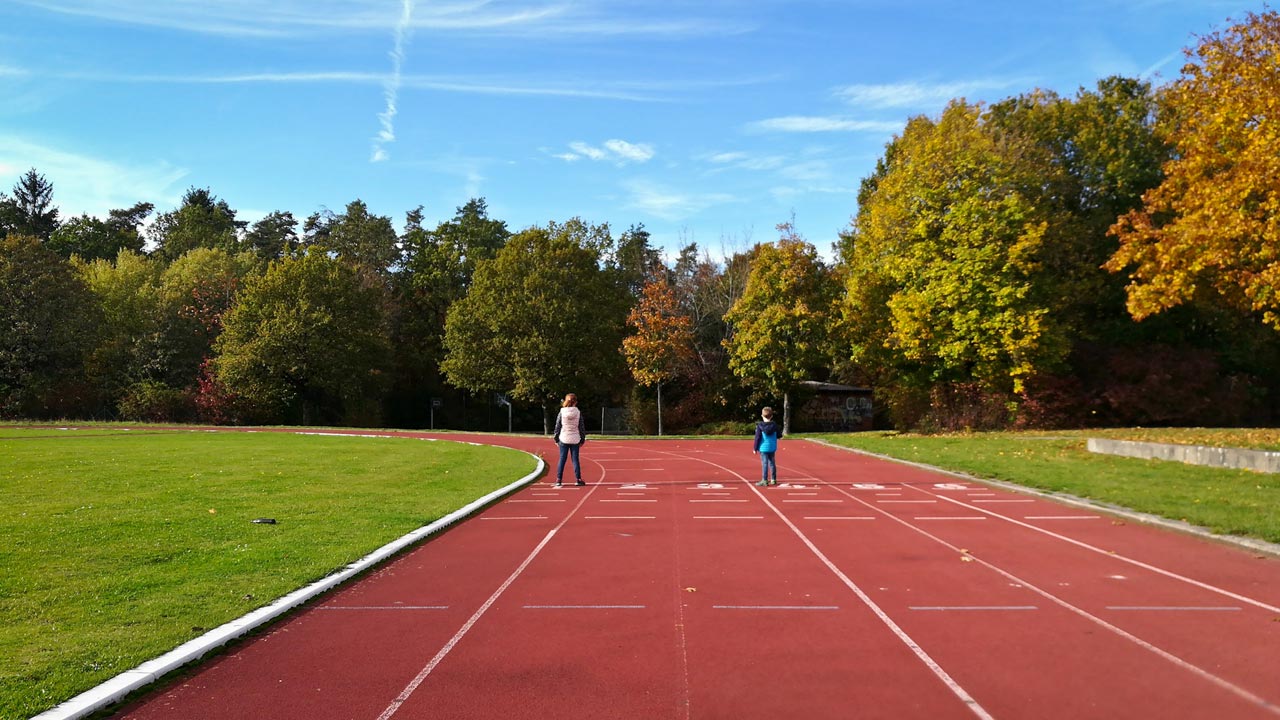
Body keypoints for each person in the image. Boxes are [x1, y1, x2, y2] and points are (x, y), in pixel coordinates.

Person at [553, 393, 587, 487]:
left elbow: (558, 426)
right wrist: (582, 439)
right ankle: (578, 479)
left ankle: (558, 479)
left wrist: (556, 439)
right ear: (575, 402)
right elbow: (581, 427)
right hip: (575, 438)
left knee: (562, 459)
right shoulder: (578, 412)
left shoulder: (562, 412)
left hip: (564, 438)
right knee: (575, 459)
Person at [753, 407, 780, 487]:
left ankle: (764, 480)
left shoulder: (760, 426)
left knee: (765, 463)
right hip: (772, 447)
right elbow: (779, 435)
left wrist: (755, 448)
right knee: (772, 463)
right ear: (771, 416)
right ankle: (773, 479)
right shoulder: (774, 425)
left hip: (763, 448)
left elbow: (757, 437)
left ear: (762, 416)